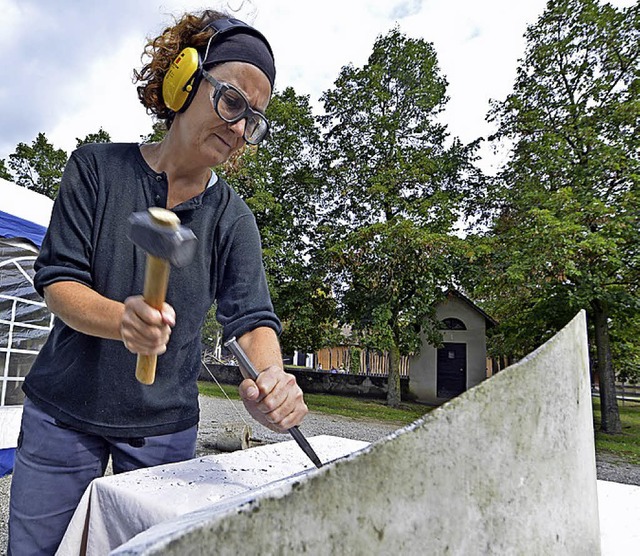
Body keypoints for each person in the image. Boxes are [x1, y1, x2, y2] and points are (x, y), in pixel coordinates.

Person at [8, 10, 308, 555]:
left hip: (161, 433)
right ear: (183, 79)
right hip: (61, 415)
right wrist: (121, 320)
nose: (241, 128)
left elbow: (252, 319)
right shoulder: (95, 169)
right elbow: (57, 282)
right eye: (232, 101)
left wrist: (272, 381)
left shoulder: (232, 218)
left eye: (255, 120)